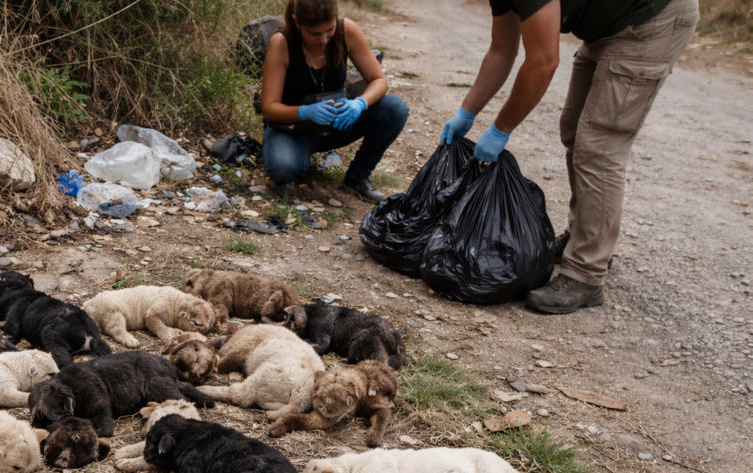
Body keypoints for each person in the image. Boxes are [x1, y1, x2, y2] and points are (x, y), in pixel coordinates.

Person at [441, 0, 698, 314]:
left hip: (650, 21)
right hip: (607, 29)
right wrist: (467, 111)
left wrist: (500, 129)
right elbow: (501, 51)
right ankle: (584, 235)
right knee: (574, 130)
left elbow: (543, 62)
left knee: (599, 147)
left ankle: (586, 272)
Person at [260, 0, 409, 203]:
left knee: (394, 108)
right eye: (314, 34)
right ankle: (295, 162)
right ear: (297, 22)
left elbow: (379, 80)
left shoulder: (346, 31)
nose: (323, 39)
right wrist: (305, 111)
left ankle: (358, 176)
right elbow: (269, 109)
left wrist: (360, 103)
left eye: (329, 30)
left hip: (336, 124)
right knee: (283, 168)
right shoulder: (282, 43)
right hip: (293, 129)